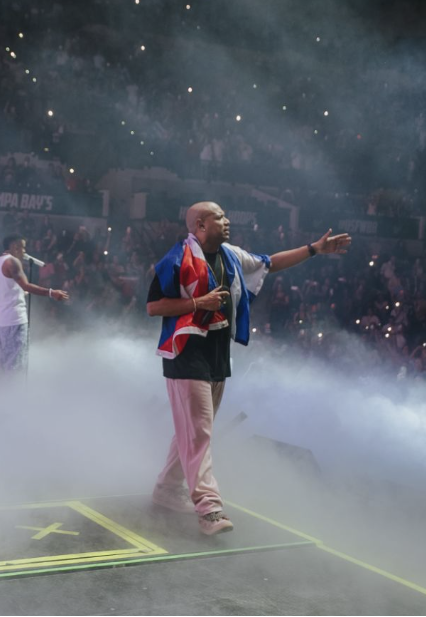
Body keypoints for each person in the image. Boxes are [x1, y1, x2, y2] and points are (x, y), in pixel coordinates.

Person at [146, 202, 351, 535]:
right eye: (219, 217)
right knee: (199, 432)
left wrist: (314, 249)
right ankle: (209, 509)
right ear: (200, 224)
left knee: (194, 431)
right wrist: (198, 303)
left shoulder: (231, 255)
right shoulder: (176, 259)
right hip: (185, 354)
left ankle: (166, 489)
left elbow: (271, 263)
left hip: (217, 354)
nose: (227, 221)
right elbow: (154, 306)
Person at [0, 234, 69, 383]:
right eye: (23, 247)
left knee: (2, 362)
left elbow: (7, 289)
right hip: (14, 321)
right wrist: (51, 293)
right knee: (15, 365)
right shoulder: (12, 262)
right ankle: (13, 395)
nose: (24, 251)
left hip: (1, 321)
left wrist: (21, 293)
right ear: (15, 247)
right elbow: (26, 285)